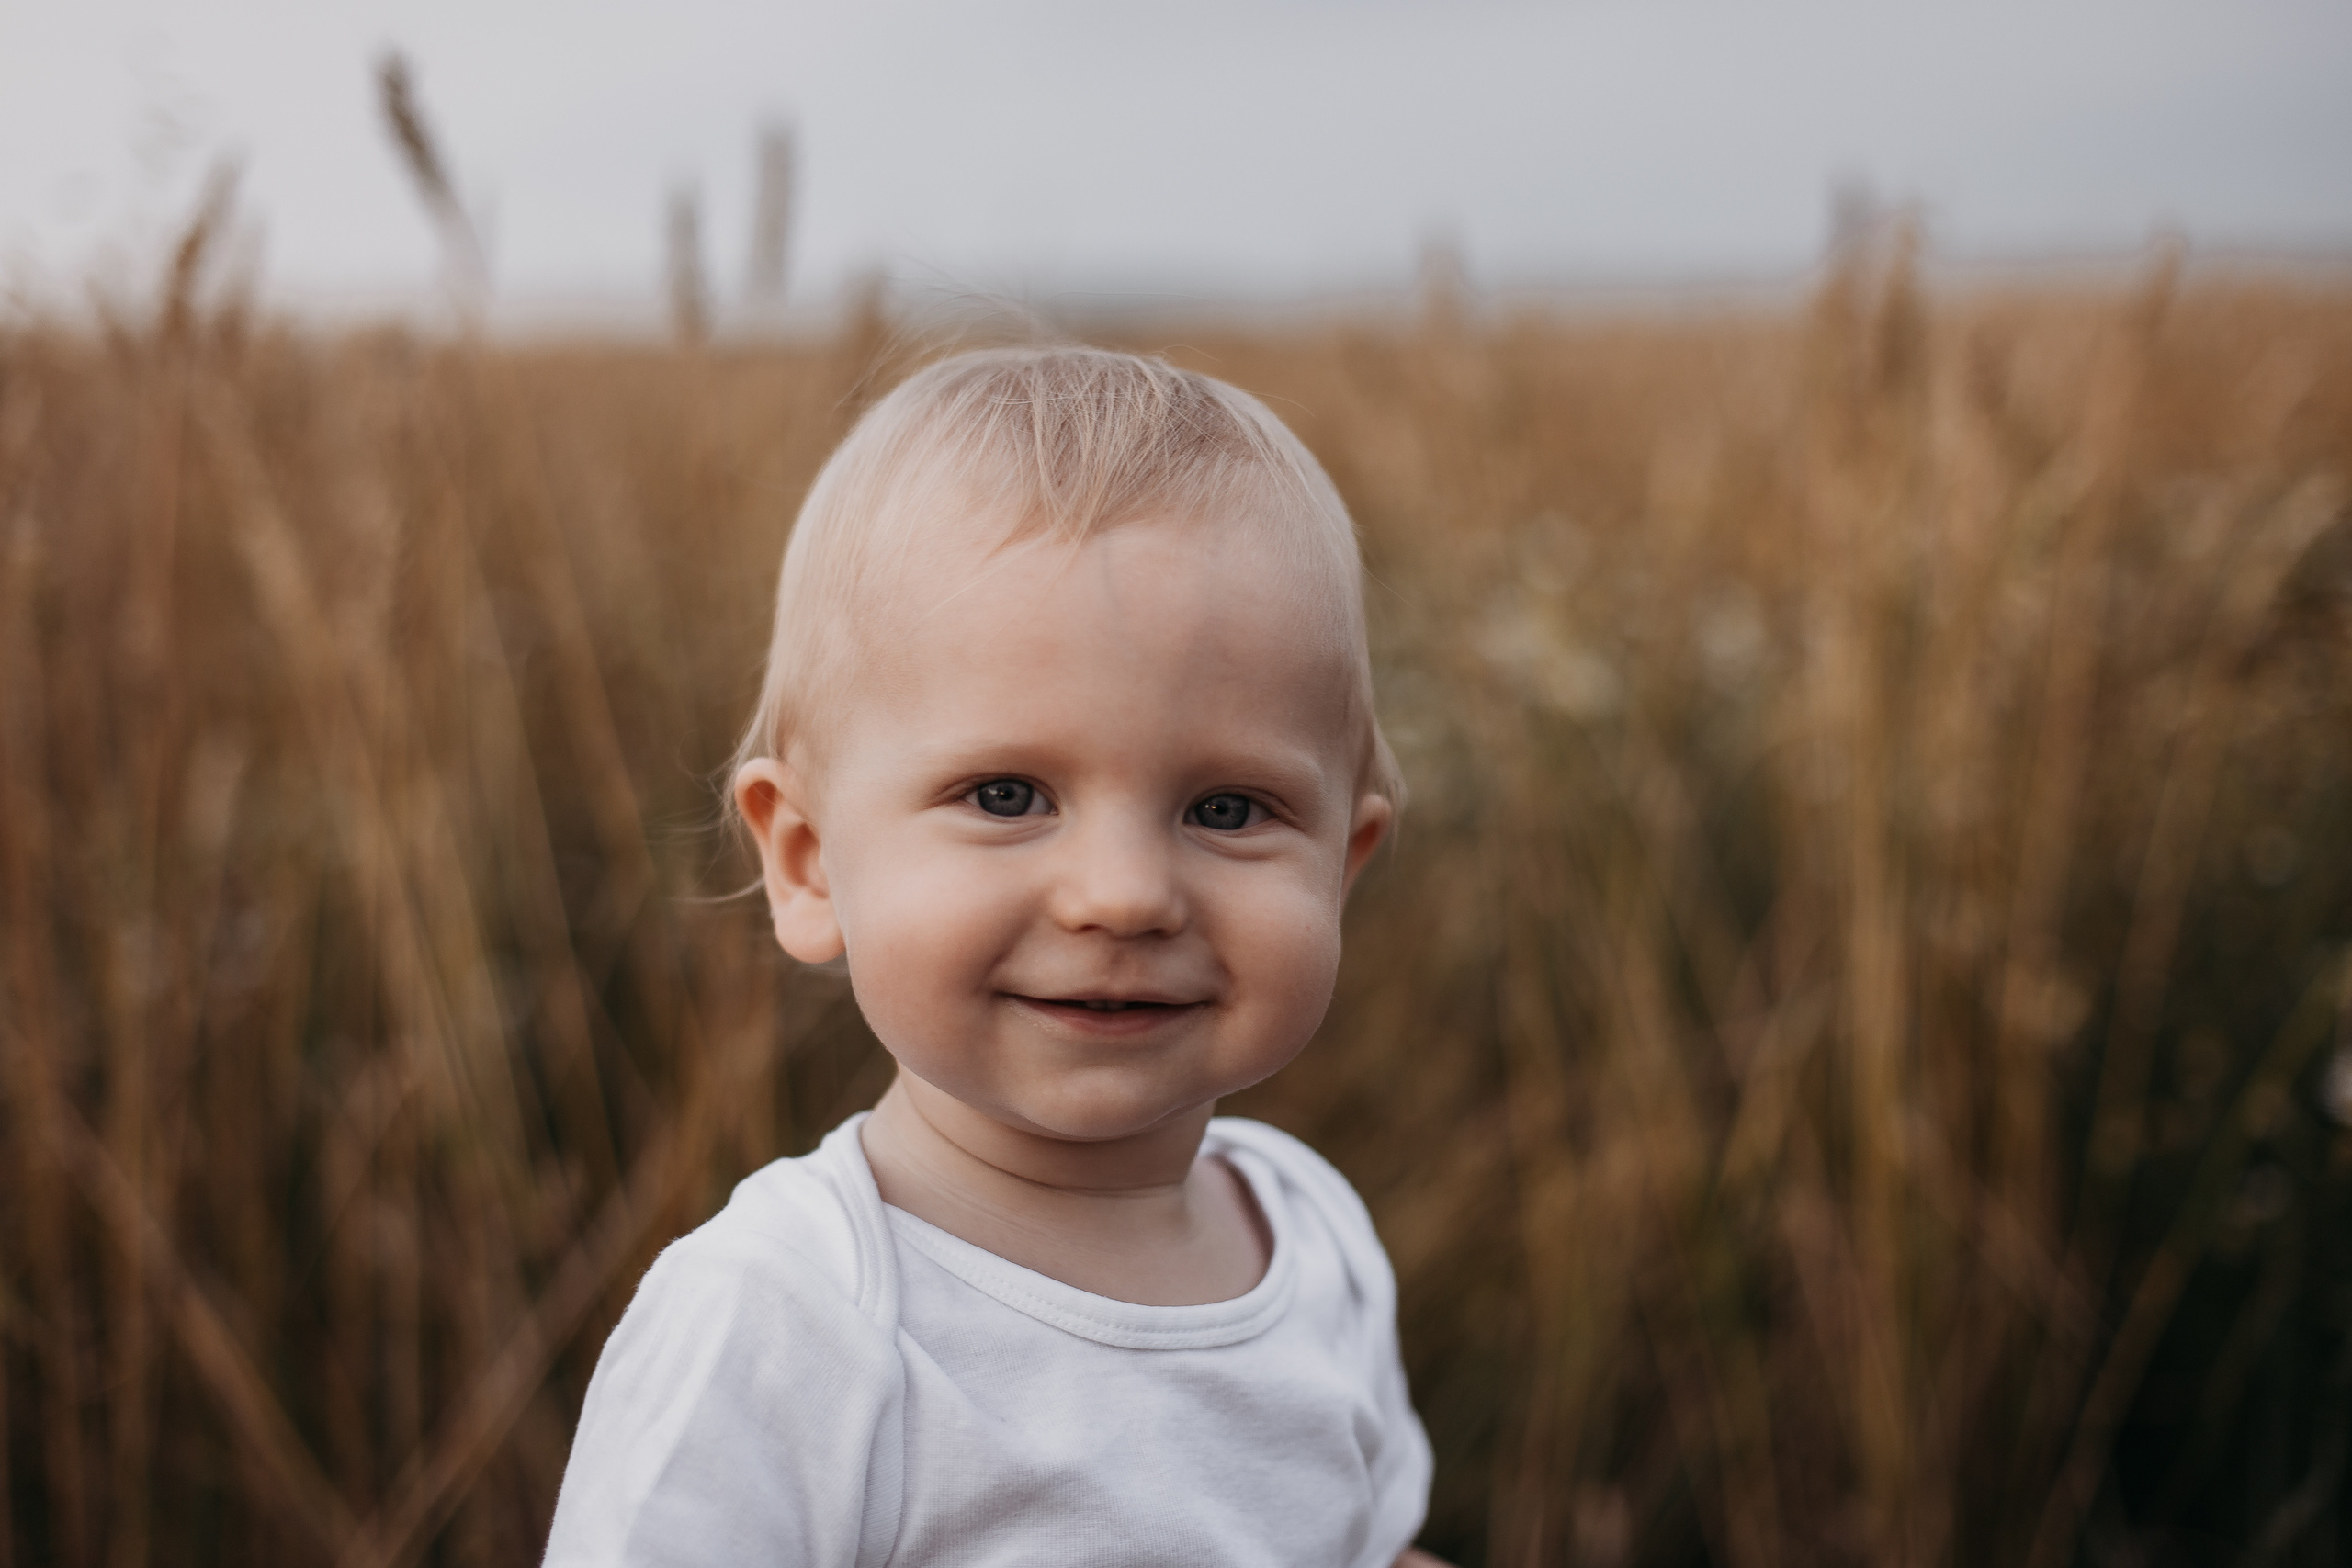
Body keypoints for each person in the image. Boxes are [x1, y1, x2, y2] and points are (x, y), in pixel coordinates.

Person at [544, 346, 1443, 1567]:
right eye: (1008, 794)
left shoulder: (1313, 1236)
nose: (1124, 896)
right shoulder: (788, 1319)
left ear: (1345, 864)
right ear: (809, 863)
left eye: (1226, 810)